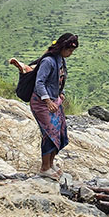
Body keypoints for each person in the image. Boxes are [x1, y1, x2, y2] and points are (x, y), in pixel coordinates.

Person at [30, 33, 78, 178]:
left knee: (59, 131)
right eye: (69, 50)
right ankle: (45, 168)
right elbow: (39, 82)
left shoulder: (60, 60)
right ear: (62, 47)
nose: (70, 53)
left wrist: (60, 93)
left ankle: (51, 164)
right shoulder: (49, 61)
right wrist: (48, 100)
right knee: (49, 134)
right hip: (42, 103)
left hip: (54, 100)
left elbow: (58, 79)